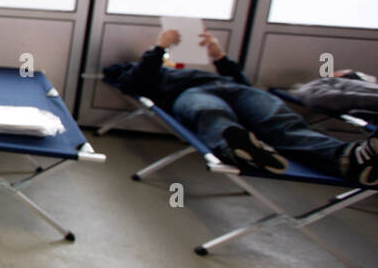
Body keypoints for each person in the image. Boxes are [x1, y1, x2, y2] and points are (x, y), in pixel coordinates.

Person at [105, 30, 377, 187]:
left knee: (280, 121)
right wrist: (160, 47)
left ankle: (348, 158)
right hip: (188, 93)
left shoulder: (205, 70)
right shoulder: (149, 73)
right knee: (209, 113)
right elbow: (137, 83)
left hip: (234, 89)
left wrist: (219, 56)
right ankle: (237, 146)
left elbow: (241, 82)